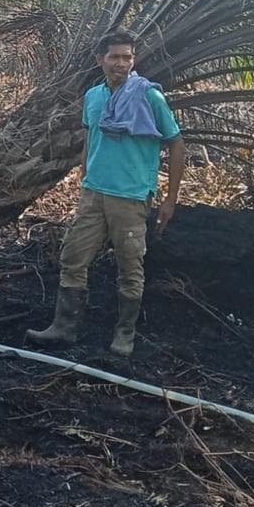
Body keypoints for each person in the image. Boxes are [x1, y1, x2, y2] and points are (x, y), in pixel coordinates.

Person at [26, 29, 185, 357]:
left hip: (131, 197)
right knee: (72, 258)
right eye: (114, 56)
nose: (121, 63)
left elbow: (176, 142)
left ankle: (124, 334)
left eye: (128, 56)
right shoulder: (93, 97)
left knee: (129, 267)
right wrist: (86, 176)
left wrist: (170, 199)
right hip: (94, 194)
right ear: (101, 59)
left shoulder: (149, 97)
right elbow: (90, 139)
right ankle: (64, 327)